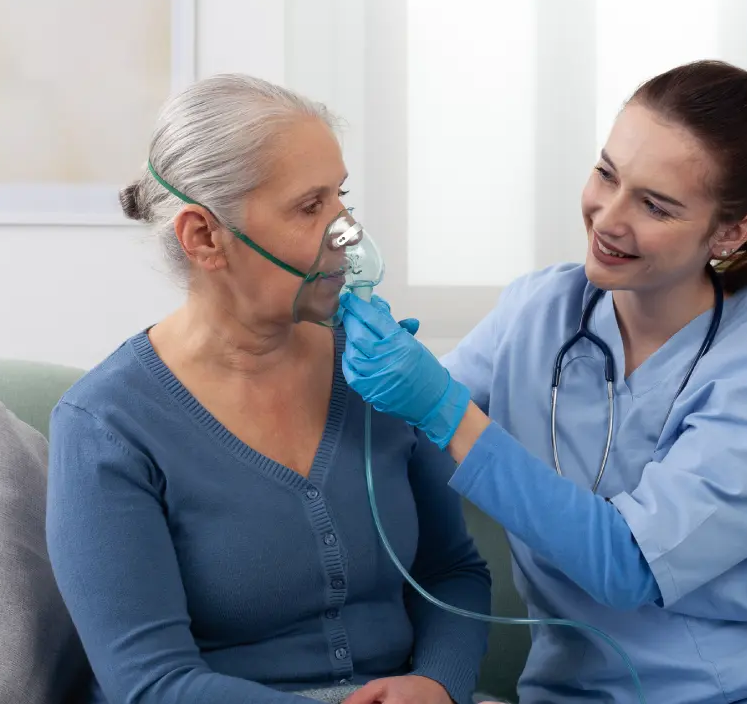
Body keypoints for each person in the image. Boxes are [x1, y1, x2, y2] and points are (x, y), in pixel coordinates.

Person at [337, 57, 747, 704]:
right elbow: (391, 445)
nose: (608, 218)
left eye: (655, 205)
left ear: (731, 231)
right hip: (578, 692)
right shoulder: (540, 311)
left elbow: (629, 566)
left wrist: (442, 408)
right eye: (606, 174)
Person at [45, 74, 492, 704]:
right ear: (204, 238)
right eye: (310, 208)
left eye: (341, 199)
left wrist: (439, 683)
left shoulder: (377, 374)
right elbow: (150, 684)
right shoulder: (108, 425)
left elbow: (453, 572)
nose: (349, 235)